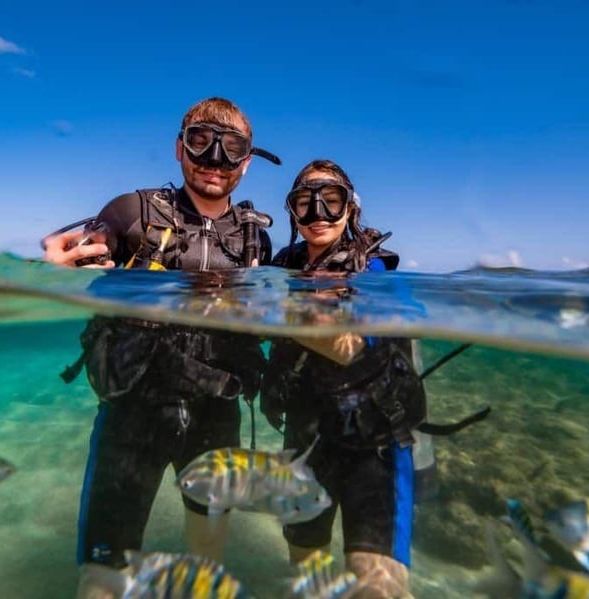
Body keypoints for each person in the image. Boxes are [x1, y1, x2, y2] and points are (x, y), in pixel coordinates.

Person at [41, 97, 280, 598]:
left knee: (206, 558)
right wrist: (53, 268)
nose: (214, 157)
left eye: (230, 147)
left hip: (217, 414)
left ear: (247, 161)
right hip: (134, 412)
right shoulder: (135, 213)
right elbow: (81, 250)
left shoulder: (257, 241)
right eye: (200, 140)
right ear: (178, 148)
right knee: (103, 575)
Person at [261, 159, 426, 598]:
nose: (317, 213)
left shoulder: (374, 273)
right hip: (306, 436)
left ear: (350, 210)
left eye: (330, 202)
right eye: (305, 202)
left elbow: (351, 346)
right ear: (292, 212)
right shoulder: (280, 271)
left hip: (373, 443)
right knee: (308, 571)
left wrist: (279, 313)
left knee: (377, 586)